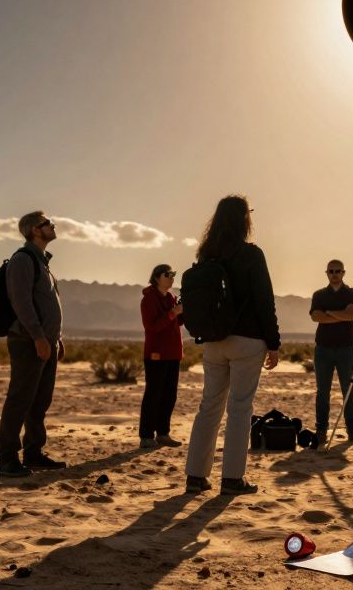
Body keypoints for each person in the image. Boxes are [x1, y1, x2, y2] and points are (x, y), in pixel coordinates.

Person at [184, 196, 281, 496]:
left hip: (214, 342)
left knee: (208, 407)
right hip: (247, 341)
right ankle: (232, 479)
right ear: (244, 219)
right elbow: (265, 300)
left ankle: (195, 476)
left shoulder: (207, 255)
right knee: (239, 408)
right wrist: (274, 343)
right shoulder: (251, 254)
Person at [0, 211, 66, 478]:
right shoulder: (23, 260)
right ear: (35, 230)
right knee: (20, 399)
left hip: (47, 341)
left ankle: (33, 453)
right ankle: (7, 459)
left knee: (40, 401)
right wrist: (38, 336)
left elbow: (47, 305)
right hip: (28, 341)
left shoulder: (42, 262)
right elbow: (21, 302)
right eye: (47, 223)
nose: (52, 225)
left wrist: (57, 338)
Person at [310, 259, 353, 445]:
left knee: (348, 391)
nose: (334, 274)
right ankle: (321, 431)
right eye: (331, 271)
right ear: (327, 273)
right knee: (322, 393)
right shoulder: (318, 295)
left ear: (343, 273)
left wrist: (329, 313)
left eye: (338, 271)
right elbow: (316, 317)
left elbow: (352, 314)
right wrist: (341, 315)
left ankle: (352, 431)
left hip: (345, 349)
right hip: (323, 349)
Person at [139, 264, 183, 448]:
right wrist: (173, 313)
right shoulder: (149, 299)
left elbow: (178, 322)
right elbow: (152, 326)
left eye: (173, 274)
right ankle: (146, 436)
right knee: (153, 395)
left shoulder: (172, 298)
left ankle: (163, 433)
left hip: (173, 353)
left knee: (169, 396)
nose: (171, 278)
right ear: (157, 277)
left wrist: (183, 310)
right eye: (167, 274)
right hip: (156, 354)